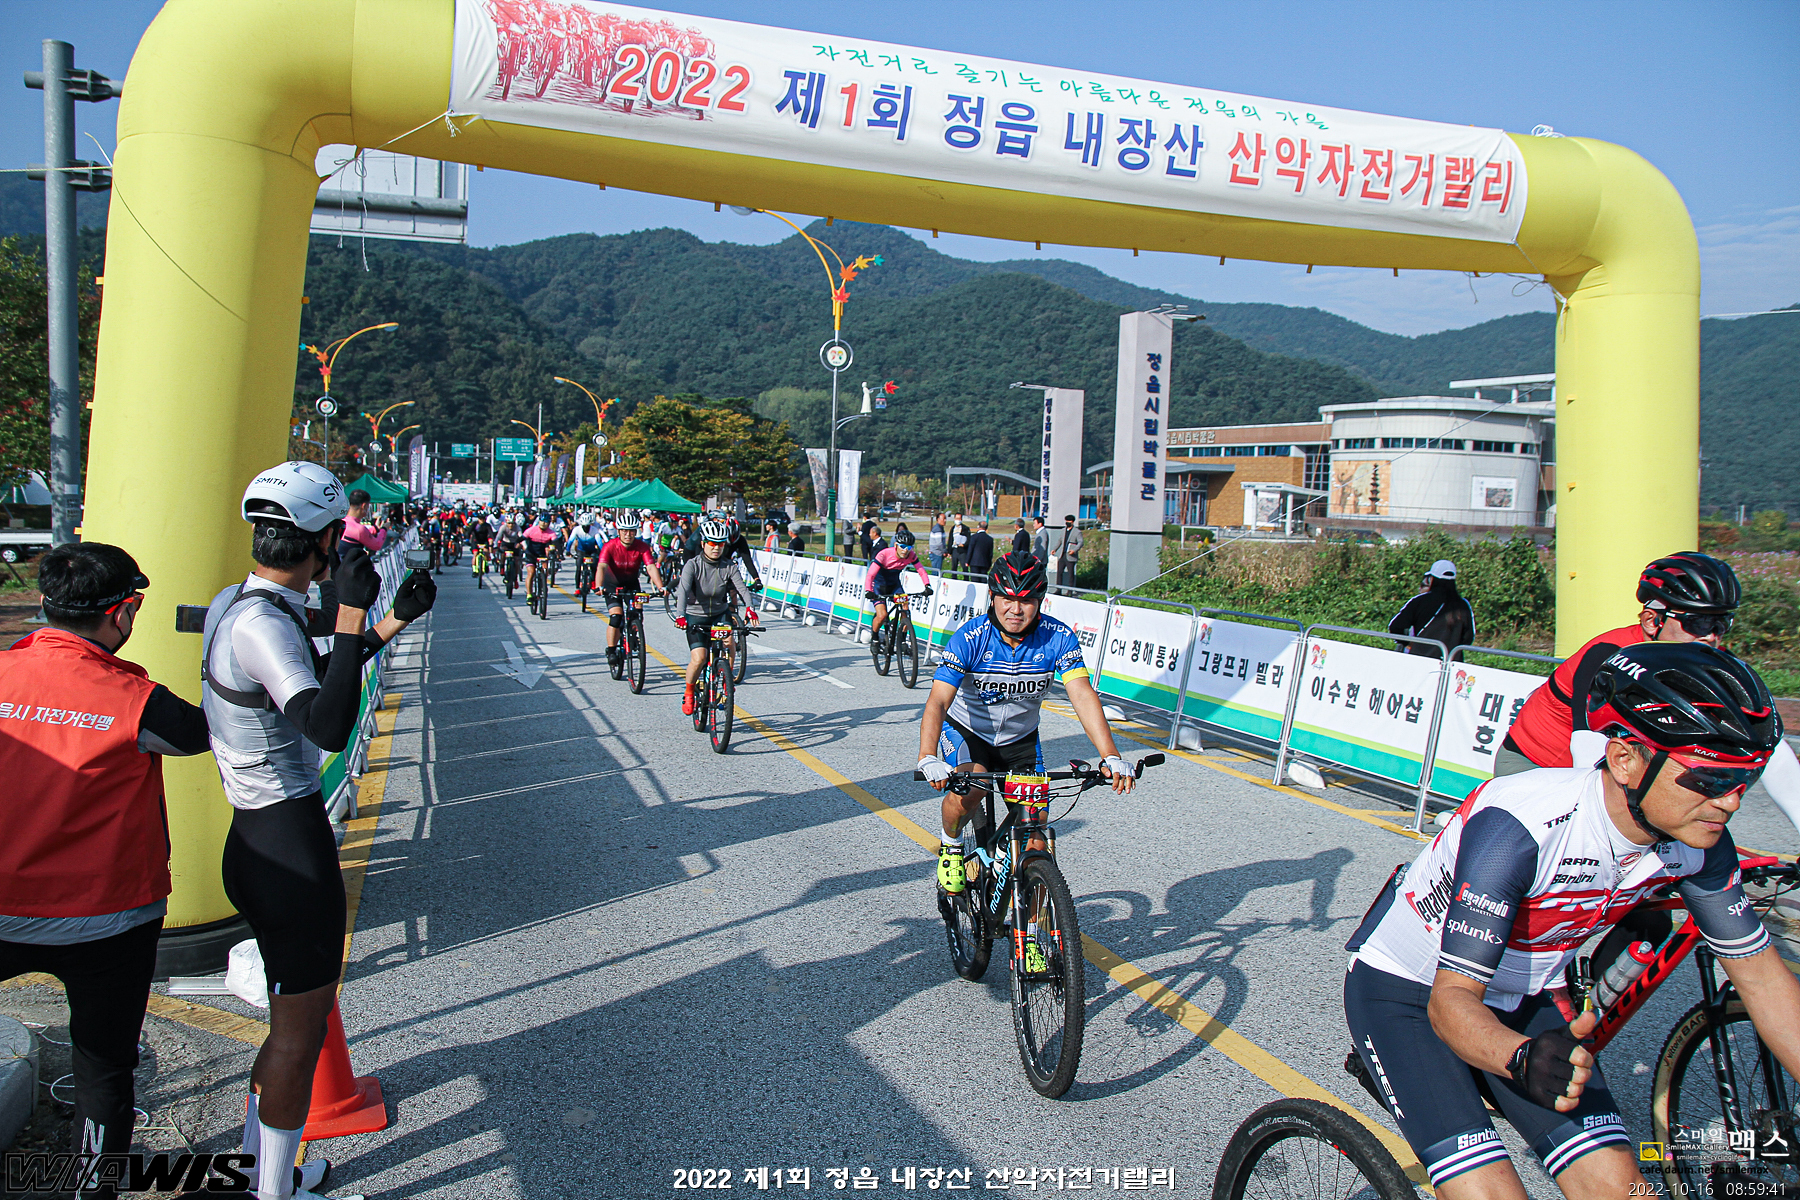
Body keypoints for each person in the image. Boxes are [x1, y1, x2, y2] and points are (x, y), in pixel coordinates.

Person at [1343, 641, 1800, 1200]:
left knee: (1626, 1191)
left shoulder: (1700, 843)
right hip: (1409, 996)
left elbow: (1763, 981)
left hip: (1524, 994)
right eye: (1708, 779)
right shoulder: (1519, 826)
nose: (1730, 803)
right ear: (1626, 759)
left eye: (1744, 781)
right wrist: (1518, 1058)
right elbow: (1450, 1001)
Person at [202, 461, 435, 1200]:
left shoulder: (238, 604)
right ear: (326, 540)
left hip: (257, 837)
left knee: (287, 1031)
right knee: (299, 1039)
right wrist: (352, 611)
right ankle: (272, 1191)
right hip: (289, 847)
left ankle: (261, 1170)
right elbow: (328, 724)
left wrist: (391, 620)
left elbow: (315, 670)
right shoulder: (264, 623)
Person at [0, 544, 210, 1195]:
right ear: (125, 612)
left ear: (45, 603)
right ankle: (94, 1186)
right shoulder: (137, 700)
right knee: (104, 1069)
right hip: (107, 919)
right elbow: (205, 733)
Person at [1494, 553, 1800, 826]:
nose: (1711, 636)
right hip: (1537, 765)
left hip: (1617, 769)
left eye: (1722, 624)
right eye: (1698, 622)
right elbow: (1588, 750)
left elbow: (1765, 744)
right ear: (1653, 620)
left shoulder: (1707, 662)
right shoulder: (1607, 655)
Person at [917, 551, 1134, 932]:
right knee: (971, 785)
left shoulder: (1058, 637)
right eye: (1007, 599)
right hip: (968, 733)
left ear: (1040, 601)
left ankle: (1032, 940)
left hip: (1020, 741)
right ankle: (950, 846)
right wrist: (927, 756)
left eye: (1027, 600)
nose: (1016, 609)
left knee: (1036, 841)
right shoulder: (971, 637)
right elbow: (937, 700)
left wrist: (1110, 755)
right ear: (993, 597)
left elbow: (1082, 694)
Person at [673, 517, 759, 716]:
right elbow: (683, 590)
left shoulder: (729, 566)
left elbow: (742, 589)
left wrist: (750, 608)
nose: (716, 548)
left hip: (719, 614)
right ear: (703, 543)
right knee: (699, 658)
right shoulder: (693, 565)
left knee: (729, 642)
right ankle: (689, 691)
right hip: (696, 615)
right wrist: (680, 615)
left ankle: (726, 678)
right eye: (712, 543)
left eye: (720, 544)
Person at [599, 521, 666, 668]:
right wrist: (599, 585)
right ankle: (611, 650)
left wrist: (660, 587)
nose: (628, 534)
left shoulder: (642, 546)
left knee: (637, 612)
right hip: (612, 585)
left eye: (631, 531)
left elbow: (650, 567)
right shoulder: (610, 546)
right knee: (616, 617)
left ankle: (635, 633)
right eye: (624, 531)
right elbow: (602, 566)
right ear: (619, 531)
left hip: (632, 584)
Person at [1387, 559, 1474, 658]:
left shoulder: (1420, 601)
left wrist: (1408, 643)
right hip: (1451, 660)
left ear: (1432, 579)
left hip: (1421, 657)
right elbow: (1468, 638)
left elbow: (1396, 626)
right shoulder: (1463, 605)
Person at [865, 535, 932, 650]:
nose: (905, 550)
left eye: (909, 547)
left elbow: (921, 571)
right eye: (902, 546)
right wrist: (868, 590)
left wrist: (927, 585)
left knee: (905, 609)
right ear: (896, 545)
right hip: (878, 586)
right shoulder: (884, 554)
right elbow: (871, 574)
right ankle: (875, 639)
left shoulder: (911, 555)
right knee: (882, 615)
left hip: (895, 586)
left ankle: (903, 640)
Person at [520, 513, 557, 600]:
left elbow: (556, 543)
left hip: (542, 555)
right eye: (542, 521)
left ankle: (542, 584)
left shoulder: (551, 533)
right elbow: (521, 539)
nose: (544, 523)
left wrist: (559, 554)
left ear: (549, 523)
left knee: (545, 570)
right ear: (539, 521)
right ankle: (529, 594)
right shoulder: (531, 530)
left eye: (546, 522)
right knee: (531, 573)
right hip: (531, 554)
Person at [340, 489, 385, 555]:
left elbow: (358, 535)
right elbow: (377, 545)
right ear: (364, 506)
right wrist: (384, 529)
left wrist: (375, 528)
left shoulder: (341, 521)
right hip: (351, 561)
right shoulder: (359, 529)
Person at [1053, 515, 1083, 591]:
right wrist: (1055, 549)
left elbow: (1080, 542)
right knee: (1059, 572)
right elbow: (1060, 541)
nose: (1067, 523)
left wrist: (1074, 550)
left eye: (1069, 521)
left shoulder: (1077, 532)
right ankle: (1058, 589)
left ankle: (1070, 590)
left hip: (1070, 555)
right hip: (1062, 554)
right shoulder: (1063, 530)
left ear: (1072, 522)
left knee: (1070, 574)